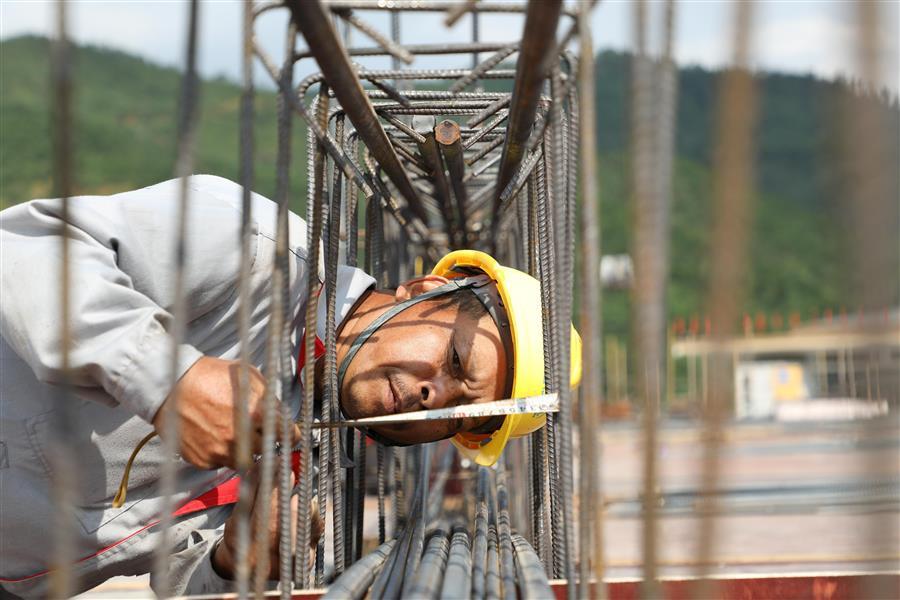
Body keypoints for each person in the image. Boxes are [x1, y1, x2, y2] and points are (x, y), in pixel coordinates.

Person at [0, 175, 580, 597]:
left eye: (459, 417)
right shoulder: (253, 251)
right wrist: (167, 377)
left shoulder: (314, 469)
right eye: (455, 360)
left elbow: (175, 571)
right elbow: (23, 253)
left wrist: (234, 562)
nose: (437, 397)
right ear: (422, 289)